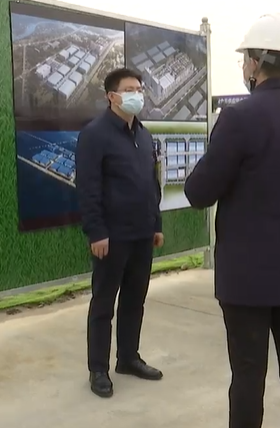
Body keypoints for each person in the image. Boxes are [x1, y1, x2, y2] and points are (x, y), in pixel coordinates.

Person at [184, 12, 280, 428]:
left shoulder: (239, 117)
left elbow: (199, 192)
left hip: (248, 275)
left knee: (249, 375)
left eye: (245, 59)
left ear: (255, 62)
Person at [75, 67, 165, 398]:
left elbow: (151, 183)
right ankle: (98, 369)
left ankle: (128, 358)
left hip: (142, 234)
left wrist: (156, 224)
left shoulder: (144, 134)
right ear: (111, 96)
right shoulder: (94, 135)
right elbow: (88, 188)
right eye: (129, 90)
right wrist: (96, 231)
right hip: (111, 237)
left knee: (134, 301)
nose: (137, 95)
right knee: (104, 304)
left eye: (139, 89)